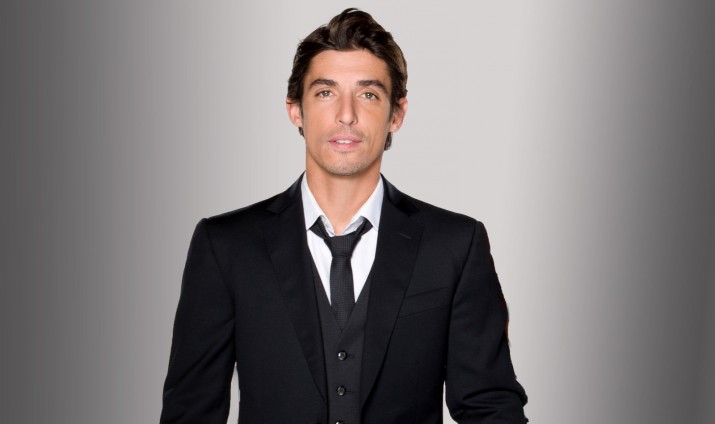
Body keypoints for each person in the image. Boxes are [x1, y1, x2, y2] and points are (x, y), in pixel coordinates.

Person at [160, 8, 528, 424]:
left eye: (368, 94)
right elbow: (190, 411)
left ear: (396, 114)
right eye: (325, 92)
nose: (346, 114)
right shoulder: (226, 246)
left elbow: (491, 408)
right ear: (295, 110)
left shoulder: (455, 245)